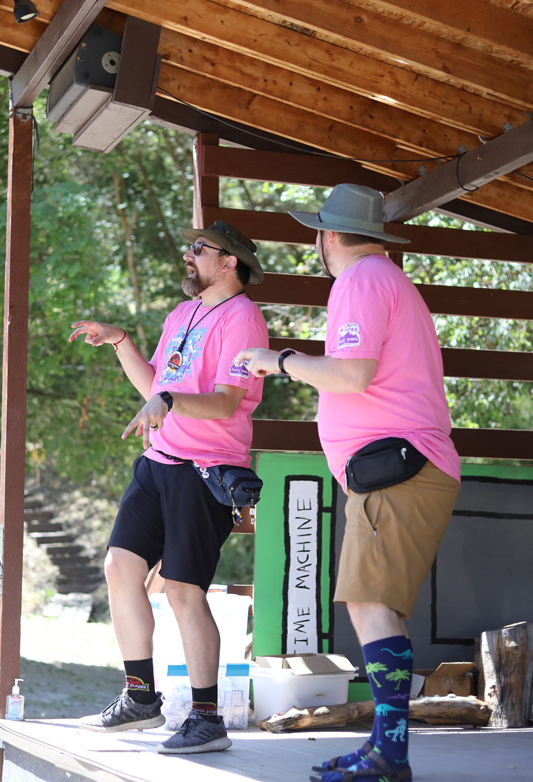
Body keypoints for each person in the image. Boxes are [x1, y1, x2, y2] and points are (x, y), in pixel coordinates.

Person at [234, 185, 460, 782]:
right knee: (375, 605)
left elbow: (352, 374)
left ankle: (390, 756)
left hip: (397, 474)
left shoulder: (361, 280)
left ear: (328, 235)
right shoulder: (386, 280)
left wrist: (278, 360)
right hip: (399, 470)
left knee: (369, 604)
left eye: (317, 233)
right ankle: (385, 748)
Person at [68, 220, 269, 755]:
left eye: (199, 248)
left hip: (205, 469)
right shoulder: (182, 313)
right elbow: (155, 386)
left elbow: (225, 401)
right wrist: (120, 342)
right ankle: (140, 697)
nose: (188, 255)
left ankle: (207, 720)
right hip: (158, 462)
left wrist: (170, 400)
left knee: (183, 590)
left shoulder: (244, 319)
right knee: (119, 567)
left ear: (228, 261)